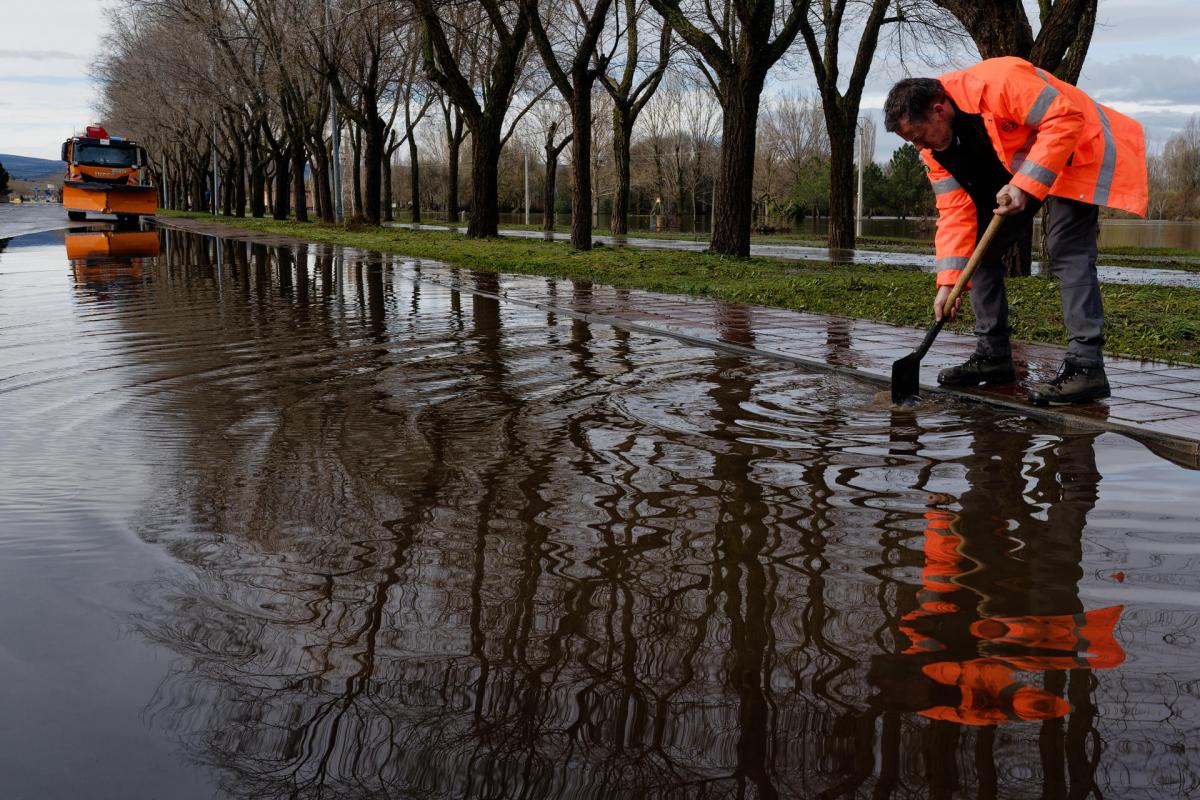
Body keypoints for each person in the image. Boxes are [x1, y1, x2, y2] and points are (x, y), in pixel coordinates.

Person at [883, 57, 1148, 404]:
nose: (920, 148)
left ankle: (1087, 368)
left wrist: (1024, 183)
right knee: (979, 255)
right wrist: (949, 283)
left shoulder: (1000, 81)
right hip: (1022, 171)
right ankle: (993, 356)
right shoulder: (936, 152)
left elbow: (1065, 117)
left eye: (919, 137)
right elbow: (955, 212)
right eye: (912, 143)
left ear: (938, 110)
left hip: (1076, 145)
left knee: (1065, 246)